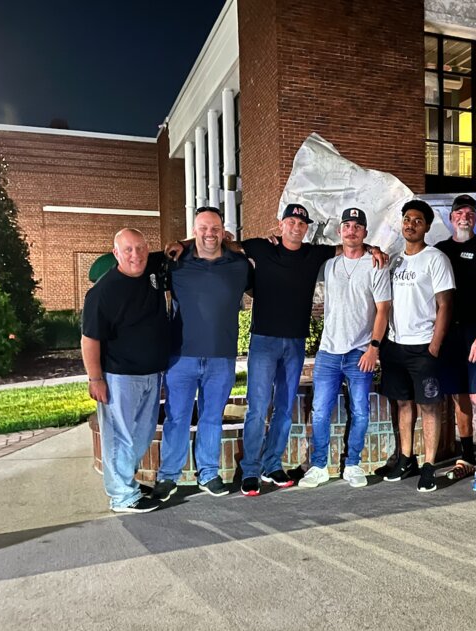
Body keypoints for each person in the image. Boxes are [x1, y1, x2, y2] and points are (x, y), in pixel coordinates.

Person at [165, 203, 385, 497]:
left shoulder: (314, 253)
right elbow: (219, 240)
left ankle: (272, 464)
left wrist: (374, 249)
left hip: (295, 343)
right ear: (281, 224)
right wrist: (183, 243)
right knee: (257, 407)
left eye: (301, 223)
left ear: (306, 228)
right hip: (264, 342)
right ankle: (252, 470)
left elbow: (348, 243)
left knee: (283, 408)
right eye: (291, 222)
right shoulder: (260, 246)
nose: (296, 227)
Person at [152, 207, 252, 501]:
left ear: (224, 232)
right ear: (194, 231)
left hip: (221, 357)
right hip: (181, 356)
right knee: (177, 417)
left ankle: (208, 473)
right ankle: (168, 476)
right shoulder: (176, 263)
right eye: (203, 229)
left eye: (215, 229)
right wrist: (181, 244)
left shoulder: (239, 265)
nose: (209, 234)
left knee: (211, 416)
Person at [298, 208, 392, 489]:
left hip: (359, 351)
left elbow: (383, 310)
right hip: (328, 351)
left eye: (357, 226)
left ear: (365, 232)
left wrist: (373, 348)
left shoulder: (376, 265)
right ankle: (319, 466)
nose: (351, 230)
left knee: (360, 411)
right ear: (340, 232)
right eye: (347, 225)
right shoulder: (329, 265)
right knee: (320, 411)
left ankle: (352, 464)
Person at [81, 228, 169, 514]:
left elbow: (178, 246)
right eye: (128, 250)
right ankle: (121, 496)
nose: (136, 255)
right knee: (120, 436)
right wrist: (95, 378)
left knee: (141, 435)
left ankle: (125, 483)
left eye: (140, 248)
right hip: (119, 377)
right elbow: (90, 339)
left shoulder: (151, 267)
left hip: (151, 374)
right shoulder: (102, 293)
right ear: (116, 254)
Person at [379, 199, 454, 493]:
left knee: (429, 406)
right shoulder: (395, 260)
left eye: (417, 221)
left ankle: (429, 465)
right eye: (407, 219)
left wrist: (434, 346)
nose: (410, 224)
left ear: (426, 226)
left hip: (424, 347)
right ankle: (406, 459)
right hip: (395, 346)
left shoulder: (435, 259)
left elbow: (445, 305)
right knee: (403, 403)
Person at [434, 194, 476, 491]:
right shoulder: (439, 251)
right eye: (459, 212)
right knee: (459, 397)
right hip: (450, 337)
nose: (464, 217)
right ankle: (467, 456)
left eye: (470, 213)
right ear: (451, 218)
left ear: (475, 218)